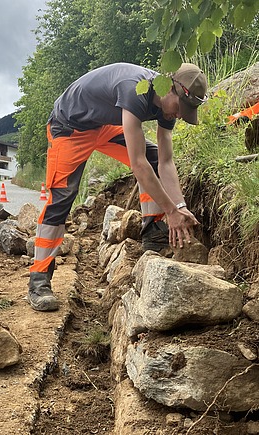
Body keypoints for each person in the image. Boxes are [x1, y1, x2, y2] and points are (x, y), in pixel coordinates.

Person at [27, 62, 208, 312]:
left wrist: (179, 207)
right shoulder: (135, 90)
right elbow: (138, 165)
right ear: (171, 89)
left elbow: (165, 162)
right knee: (62, 196)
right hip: (70, 125)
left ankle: (154, 237)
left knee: (154, 158)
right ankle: (39, 280)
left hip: (104, 124)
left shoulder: (166, 107)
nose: (179, 115)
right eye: (180, 108)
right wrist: (171, 211)